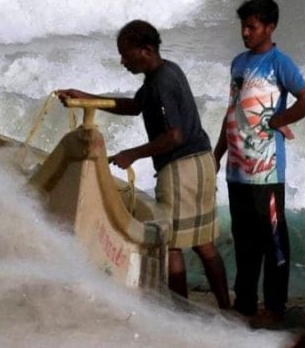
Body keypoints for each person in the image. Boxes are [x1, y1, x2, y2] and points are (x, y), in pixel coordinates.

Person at [57, 20, 231, 309]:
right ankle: (227, 309)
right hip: (202, 161)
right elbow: (135, 107)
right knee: (204, 243)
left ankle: (180, 314)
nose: (123, 61)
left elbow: (174, 136)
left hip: (181, 168)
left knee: (171, 244)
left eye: (127, 54)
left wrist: (132, 154)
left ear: (146, 50)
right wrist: (87, 97)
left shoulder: (160, 83)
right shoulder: (166, 71)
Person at [213, 0, 305, 326]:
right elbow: (232, 111)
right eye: (244, 27)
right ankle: (244, 305)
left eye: (252, 27)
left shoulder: (279, 63)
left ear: (269, 28)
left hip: (266, 171)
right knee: (244, 242)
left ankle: (274, 308)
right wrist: (217, 154)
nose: (246, 33)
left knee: (272, 241)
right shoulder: (238, 63)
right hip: (237, 170)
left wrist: (277, 121)